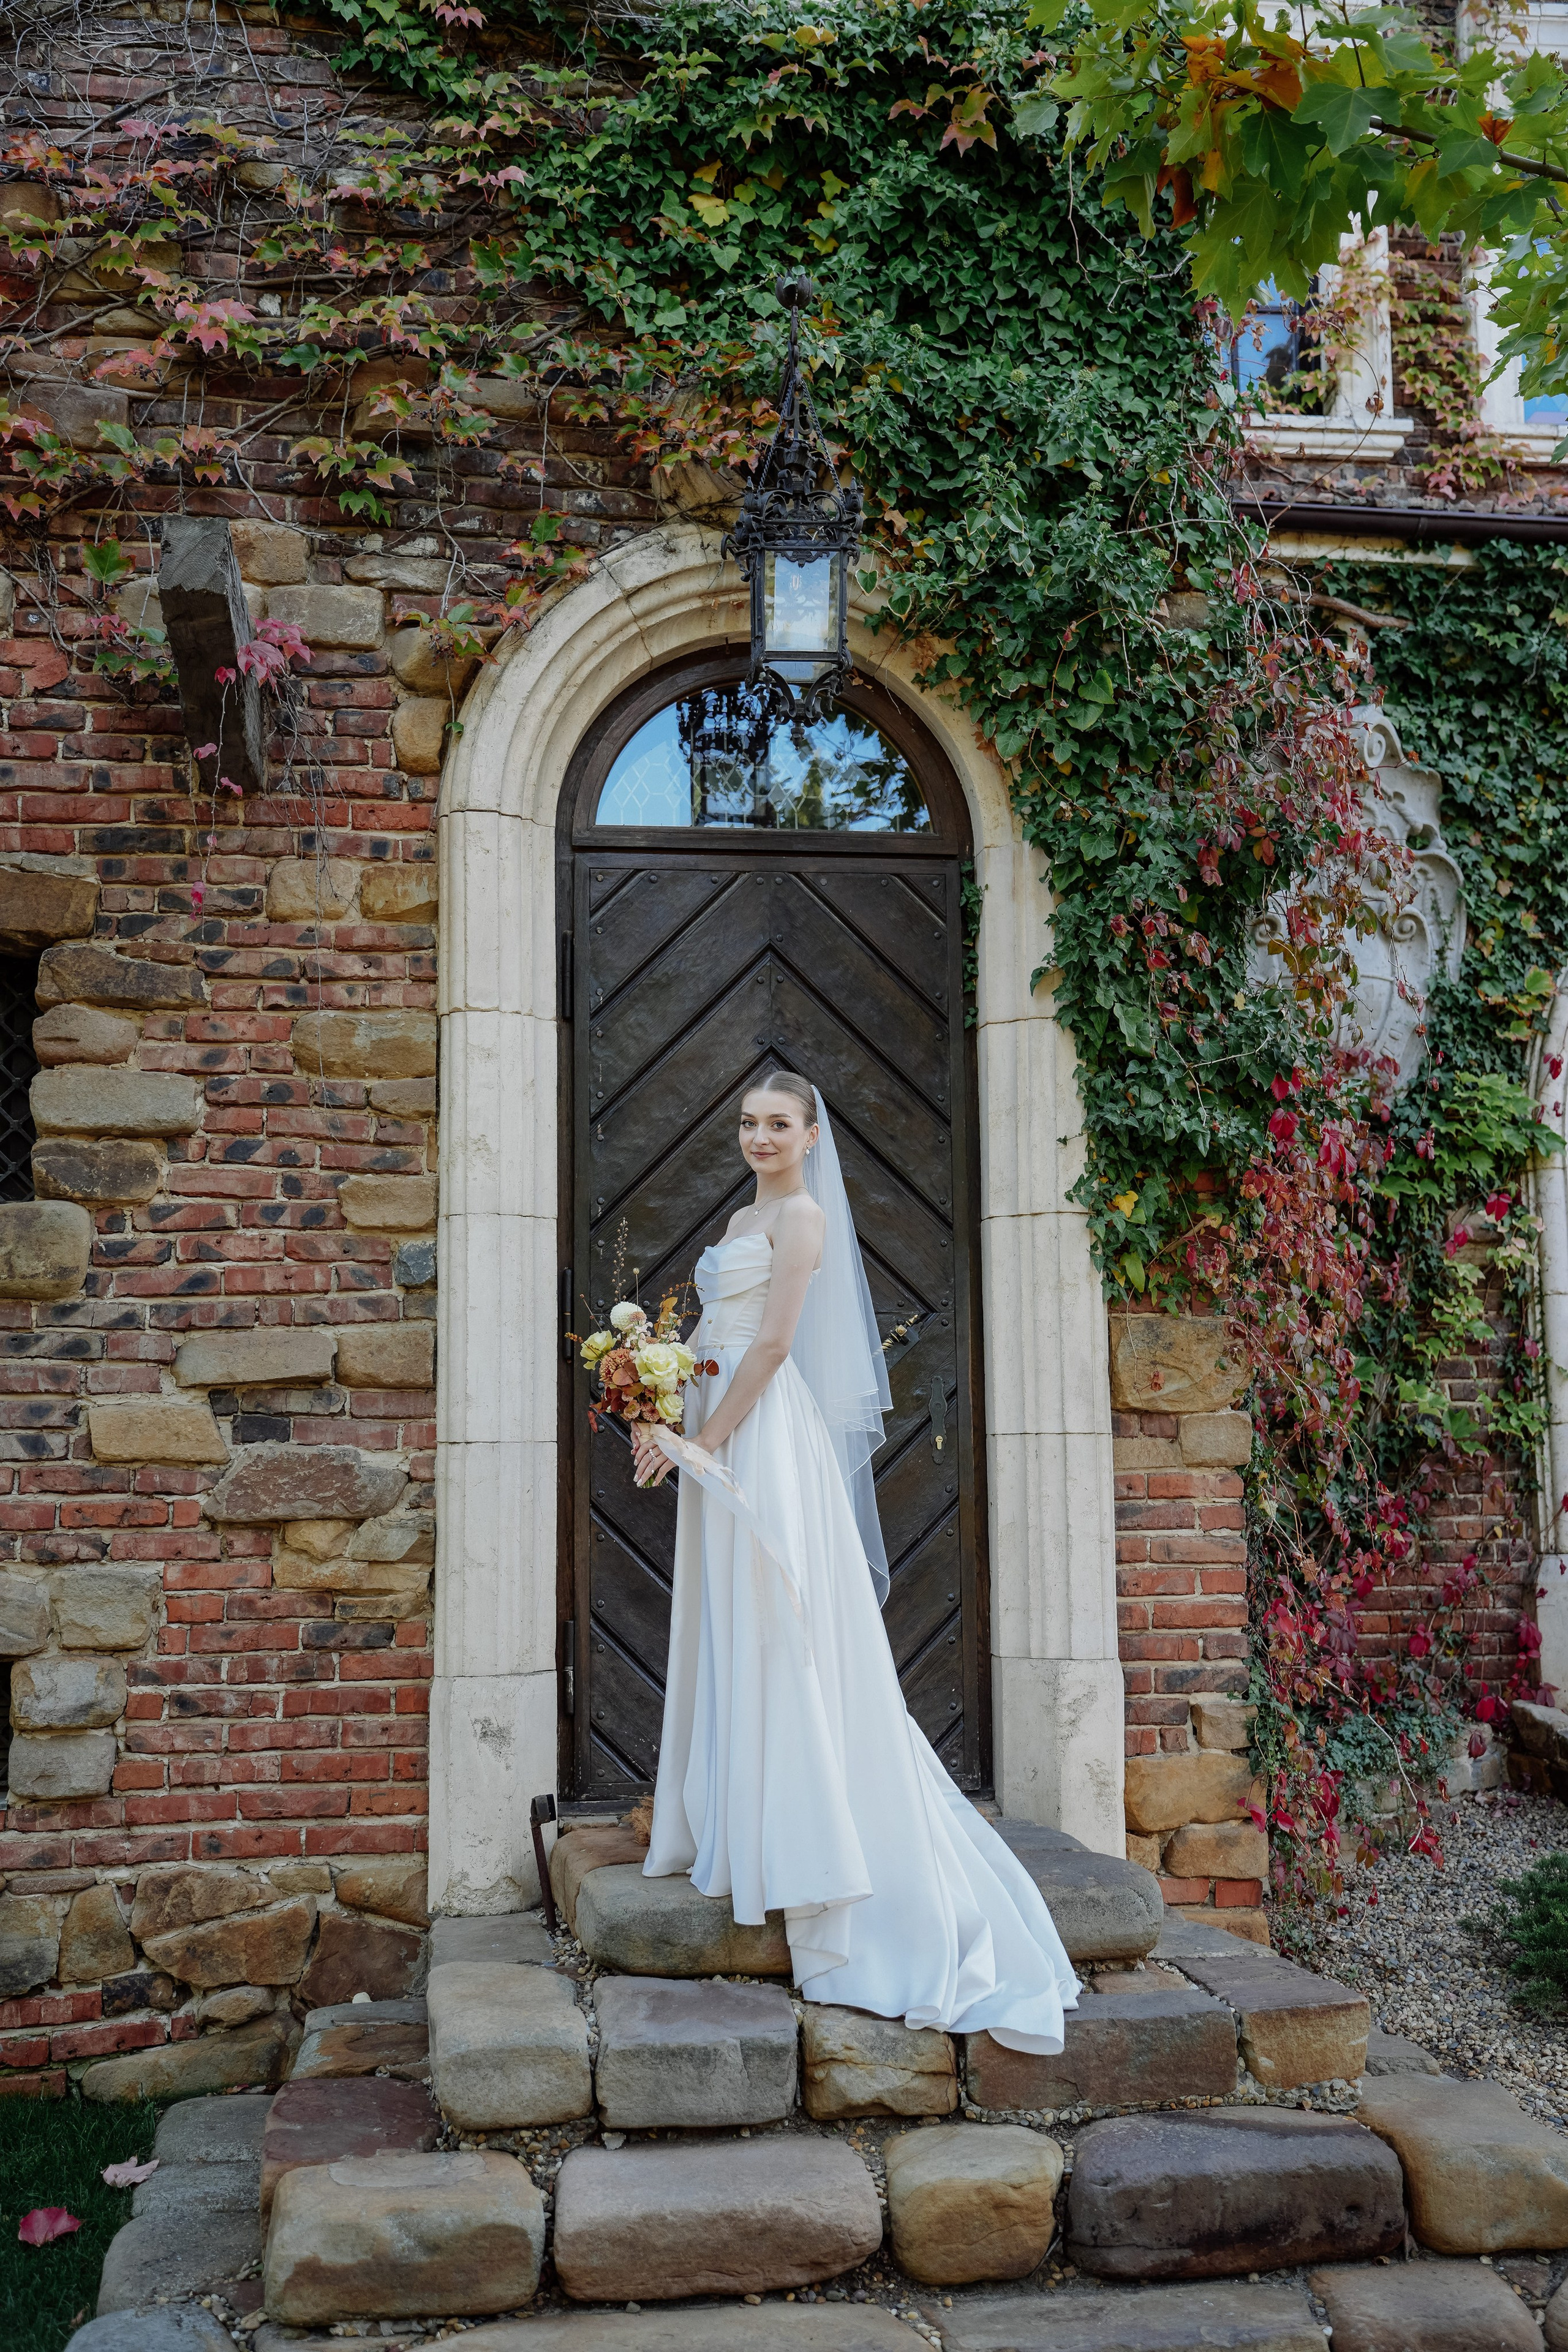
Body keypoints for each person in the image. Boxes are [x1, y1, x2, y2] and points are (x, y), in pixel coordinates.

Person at [631, 1070, 1080, 2052]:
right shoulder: (748, 1213)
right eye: (748, 1122)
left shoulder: (801, 1222)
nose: (760, 1137)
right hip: (715, 1426)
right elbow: (712, 1338)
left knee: (778, 1618)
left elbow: (777, 1345)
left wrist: (708, 1442)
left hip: (762, 1439)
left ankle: (807, 1839)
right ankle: (736, 1818)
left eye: (778, 1124)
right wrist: (663, 1412)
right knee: (731, 1620)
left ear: (810, 1135)